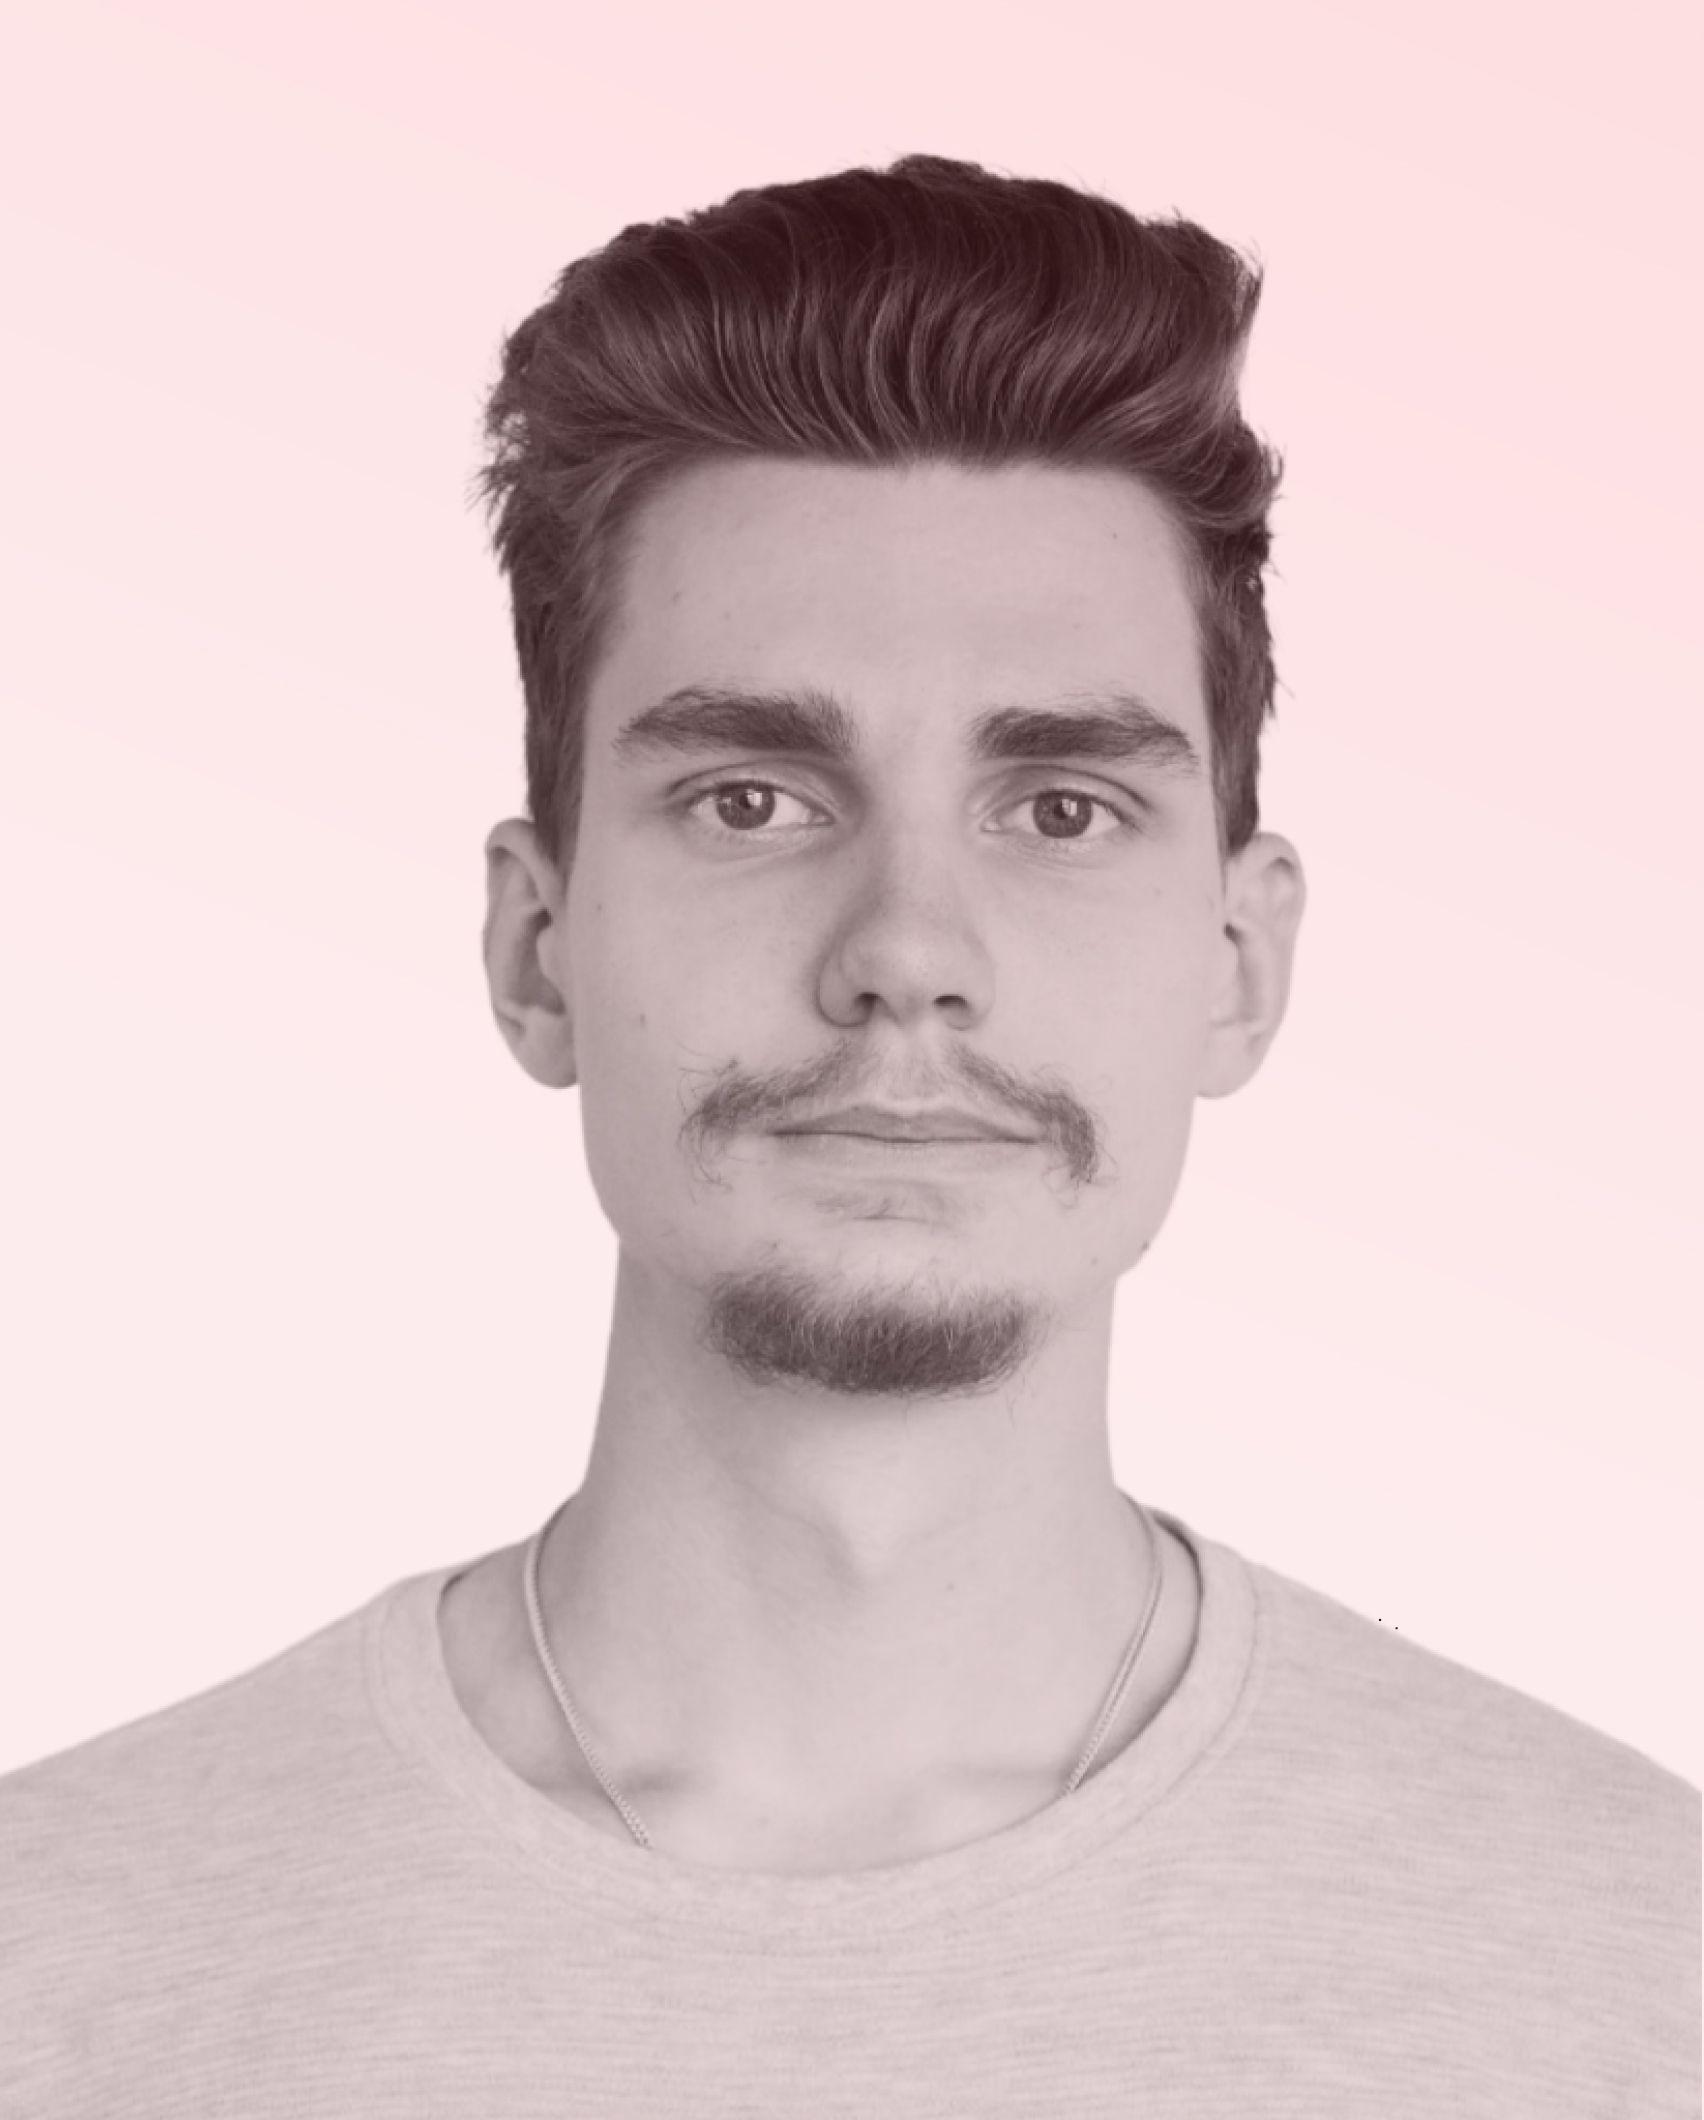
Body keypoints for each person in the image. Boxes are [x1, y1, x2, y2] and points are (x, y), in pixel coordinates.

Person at [1, 153, 1696, 2116]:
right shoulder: (62, 1966)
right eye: (752, 799)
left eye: (1060, 808)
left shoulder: (1636, 1969)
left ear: (1237, 966)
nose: (907, 952)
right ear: (539, 949)